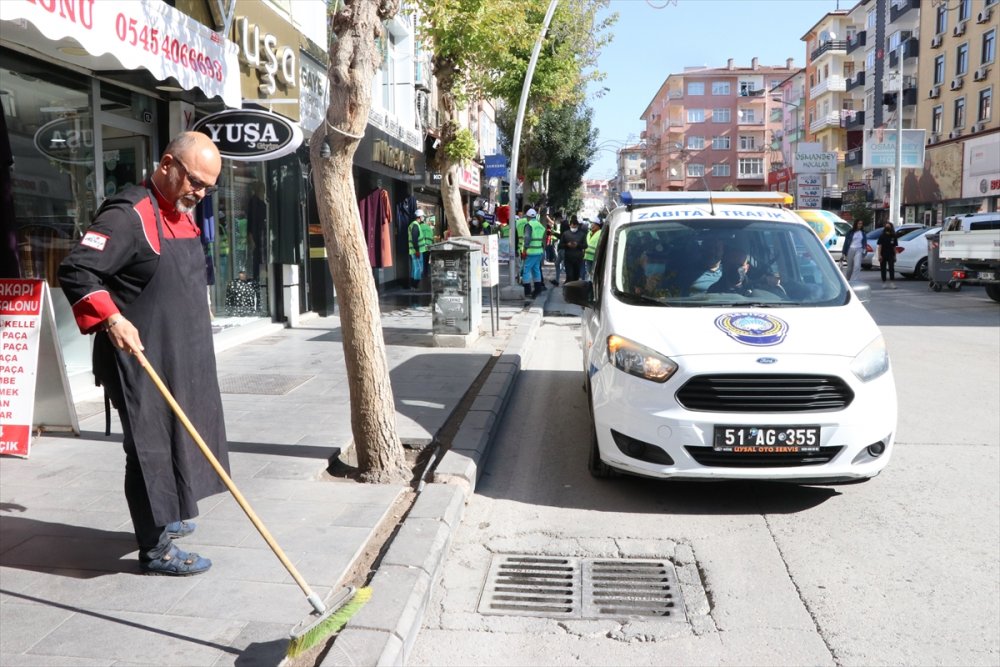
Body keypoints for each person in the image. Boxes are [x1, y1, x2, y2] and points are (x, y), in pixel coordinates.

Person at [57, 131, 228, 576]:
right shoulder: (127, 216)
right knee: (149, 448)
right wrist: (112, 318)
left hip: (181, 353)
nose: (202, 193)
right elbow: (77, 269)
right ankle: (155, 551)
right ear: (168, 163)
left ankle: (168, 516)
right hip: (140, 356)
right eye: (196, 181)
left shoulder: (183, 211)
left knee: (181, 437)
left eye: (210, 186)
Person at [520, 208, 546, 298]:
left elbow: (527, 238)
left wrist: (524, 250)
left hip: (530, 251)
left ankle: (527, 291)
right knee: (536, 270)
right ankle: (537, 289)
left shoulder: (529, 225)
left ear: (527, 217)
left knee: (526, 270)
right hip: (539, 251)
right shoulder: (540, 225)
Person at [559, 215, 587, 283]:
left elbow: (585, 246)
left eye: (575, 226)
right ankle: (568, 289)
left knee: (576, 276)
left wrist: (577, 245)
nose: (573, 228)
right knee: (569, 275)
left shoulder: (582, 234)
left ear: (578, 226)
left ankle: (574, 289)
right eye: (572, 226)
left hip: (578, 258)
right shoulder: (565, 234)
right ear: (570, 225)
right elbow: (560, 245)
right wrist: (567, 245)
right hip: (568, 257)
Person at [407, 209, 426, 290]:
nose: (423, 218)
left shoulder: (413, 225)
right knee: (418, 268)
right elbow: (415, 240)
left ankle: (413, 285)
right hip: (416, 251)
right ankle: (415, 285)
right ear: (419, 217)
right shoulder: (415, 225)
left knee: (415, 268)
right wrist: (417, 251)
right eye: (422, 216)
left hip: (414, 250)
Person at [877, 222, 899, 289]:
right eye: (886, 227)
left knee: (891, 268)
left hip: (891, 254)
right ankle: (884, 282)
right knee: (883, 269)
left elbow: (894, 247)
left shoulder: (893, 236)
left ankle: (892, 283)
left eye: (889, 226)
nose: (887, 228)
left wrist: (895, 256)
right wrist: (879, 255)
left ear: (891, 227)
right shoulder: (882, 236)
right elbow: (879, 246)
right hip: (883, 254)